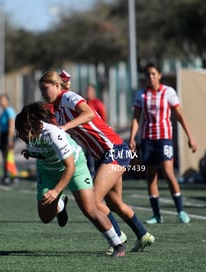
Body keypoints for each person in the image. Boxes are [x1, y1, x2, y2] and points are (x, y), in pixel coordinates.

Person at [39, 70, 155, 254]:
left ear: (56, 85)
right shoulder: (58, 110)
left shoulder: (68, 97)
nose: (43, 93)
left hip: (114, 150)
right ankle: (143, 235)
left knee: (93, 199)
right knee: (115, 204)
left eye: (45, 89)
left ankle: (118, 237)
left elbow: (89, 114)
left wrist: (65, 127)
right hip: (104, 155)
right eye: (41, 90)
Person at [15, 102, 126, 256]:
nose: (21, 136)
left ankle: (117, 244)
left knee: (90, 208)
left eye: (22, 132)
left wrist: (56, 191)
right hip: (47, 171)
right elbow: (44, 150)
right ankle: (60, 205)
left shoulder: (53, 134)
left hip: (75, 167)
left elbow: (70, 167)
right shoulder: (28, 135)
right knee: (45, 217)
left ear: (33, 126)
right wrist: (31, 153)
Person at [129, 62, 197, 225]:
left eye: (153, 74)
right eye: (148, 74)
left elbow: (180, 116)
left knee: (168, 172)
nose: (150, 77)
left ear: (159, 75)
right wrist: (132, 137)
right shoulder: (141, 95)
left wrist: (190, 136)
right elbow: (137, 118)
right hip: (148, 139)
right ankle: (157, 214)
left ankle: (181, 211)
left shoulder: (168, 92)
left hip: (164, 138)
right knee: (151, 177)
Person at [84, 83, 107, 176]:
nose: (88, 93)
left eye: (89, 91)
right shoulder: (84, 103)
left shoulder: (98, 103)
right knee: (88, 154)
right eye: (87, 91)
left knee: (97, 154)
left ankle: (97, 173)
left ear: (93, 92)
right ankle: (90, 172)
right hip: (87, 134)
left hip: (97, 134)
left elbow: (104, 118)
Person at [0, 93, 18, 185]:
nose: (0, 102)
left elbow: (11, 125)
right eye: (0, 100)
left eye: (2, 100)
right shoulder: (3, 112)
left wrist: (10, 139)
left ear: (7, 101)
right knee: (5, 157)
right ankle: (6, 175)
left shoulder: (9, 111)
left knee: (9, 157)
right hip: (3, 135)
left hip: (8, 135)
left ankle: (13, 176)